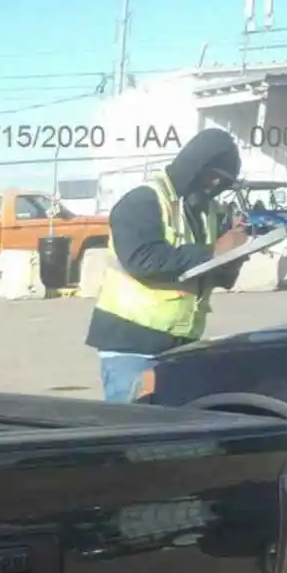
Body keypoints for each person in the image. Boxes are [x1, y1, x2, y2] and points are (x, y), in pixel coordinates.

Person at [87, 129, 251, 402]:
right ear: (193, 166)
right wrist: (214, 250)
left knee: (169, 436)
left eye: (221, 182)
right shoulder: (143, 201)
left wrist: (233, 256)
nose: (212, 185)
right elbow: (142, 259)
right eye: (211, 176)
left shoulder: (207, 212)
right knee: (135, 433)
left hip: (182, 345)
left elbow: (208, 272)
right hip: (132, 345)